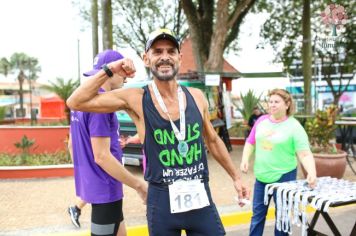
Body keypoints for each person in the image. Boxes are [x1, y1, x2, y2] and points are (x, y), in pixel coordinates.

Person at [67, 28, 250, 236]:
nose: (165, 57)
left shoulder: (197, 96)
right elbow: (75, 101)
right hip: (161, 203)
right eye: (157, 51)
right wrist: (110, 69)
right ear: (146, 59)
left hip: (200, 199)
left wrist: (236, 177)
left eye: (171, 51)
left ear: (179, 58)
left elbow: (214, 140)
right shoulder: (135, 97)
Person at [68, 49, 147, 236]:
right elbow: (102, 156)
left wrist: (88, 174)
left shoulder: (81, 102)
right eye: (124, 77)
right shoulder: (102, 105)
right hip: (106, 187)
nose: (125, 81)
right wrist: (140, 185)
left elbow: (72, 145)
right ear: (114, 72)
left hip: (95, 186)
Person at [240, 88, 317, 236]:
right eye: (270, 101)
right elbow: (250, 142)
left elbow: (305, 154)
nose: (272, 105)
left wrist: (312, 172)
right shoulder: (261, 121)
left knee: (282, 218)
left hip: (284, 177)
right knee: (257, 217)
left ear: (287, 104)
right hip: (262, 177)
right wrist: (245, 159)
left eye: (277, 102)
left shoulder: (294, 126)